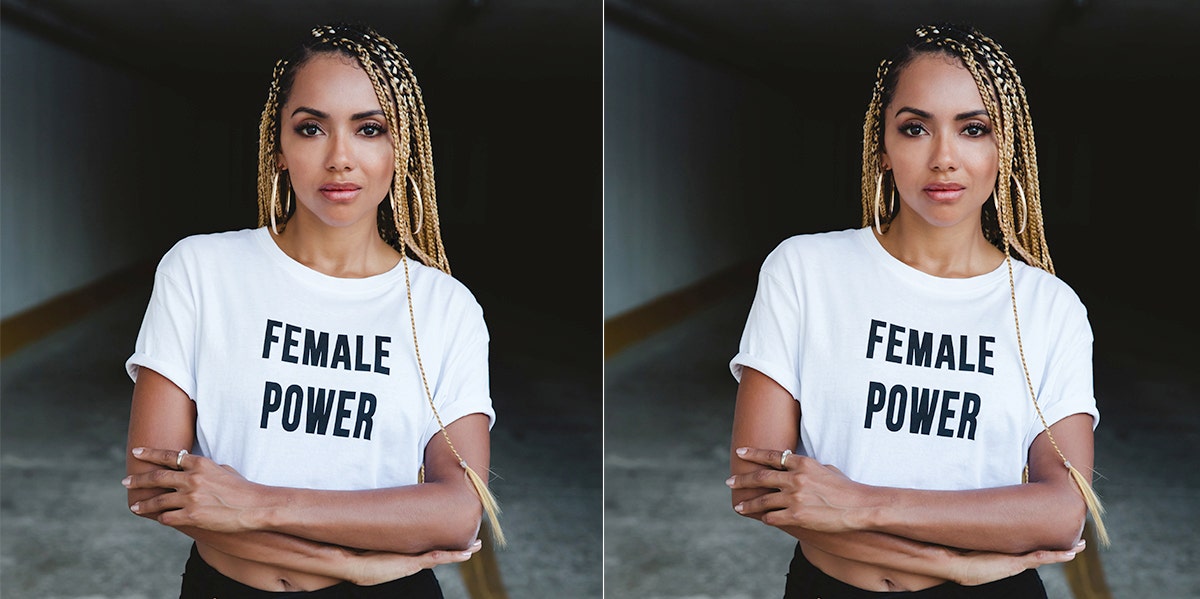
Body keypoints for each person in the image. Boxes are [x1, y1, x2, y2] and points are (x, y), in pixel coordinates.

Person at [726, 22, 1109, 598]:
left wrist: (861, 505)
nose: (944, 158)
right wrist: (960, 563)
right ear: (882, 147)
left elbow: (1060, 511)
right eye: (915, 128)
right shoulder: (804, 270)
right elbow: (757, 487)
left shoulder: (1048, 307)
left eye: (973, 129)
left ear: (1003, 147)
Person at [122, 23, 502, 597]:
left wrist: (257, 504)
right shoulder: (199, 270)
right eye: (311, 128)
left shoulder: (445, 307)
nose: (340, 158)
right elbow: (154, 486)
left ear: (400, 148)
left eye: (369, 129)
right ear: (278, 147)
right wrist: (353, 564)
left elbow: (456, 511)